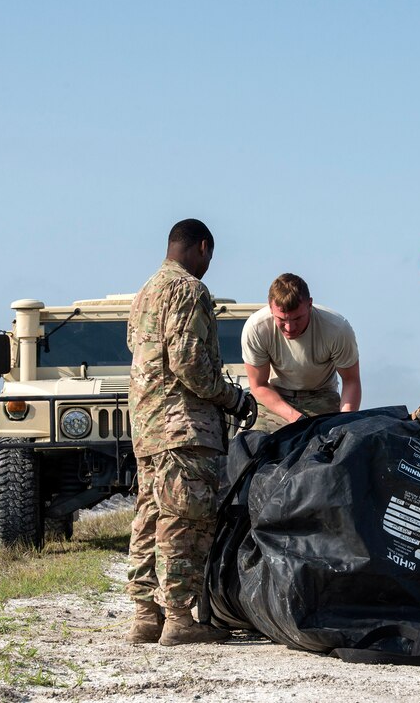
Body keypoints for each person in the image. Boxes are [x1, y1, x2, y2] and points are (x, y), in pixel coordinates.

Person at [125, 218, 254, 646]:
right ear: (201, 247)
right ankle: (179, 617)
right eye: (209, 257)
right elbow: (188, 362)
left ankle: (146, 616)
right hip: (185, 427)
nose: (208, 266)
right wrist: (232, 399)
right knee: (185, 518)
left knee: (150, 516)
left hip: (148, 427)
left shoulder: (144, 293)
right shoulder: (189, 290)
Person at [241, 273, 361, 432]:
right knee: (248, 448)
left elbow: (351, 381)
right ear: (270, 307)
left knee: (336, 448)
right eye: (282, 320)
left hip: (322, 396)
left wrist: (344, 424)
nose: (290, 328)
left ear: (310, 305)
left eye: (297, 318)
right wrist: (295, 418)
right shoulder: (256, 328)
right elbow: (259, 385)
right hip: (275, 399)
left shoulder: (336, 329)